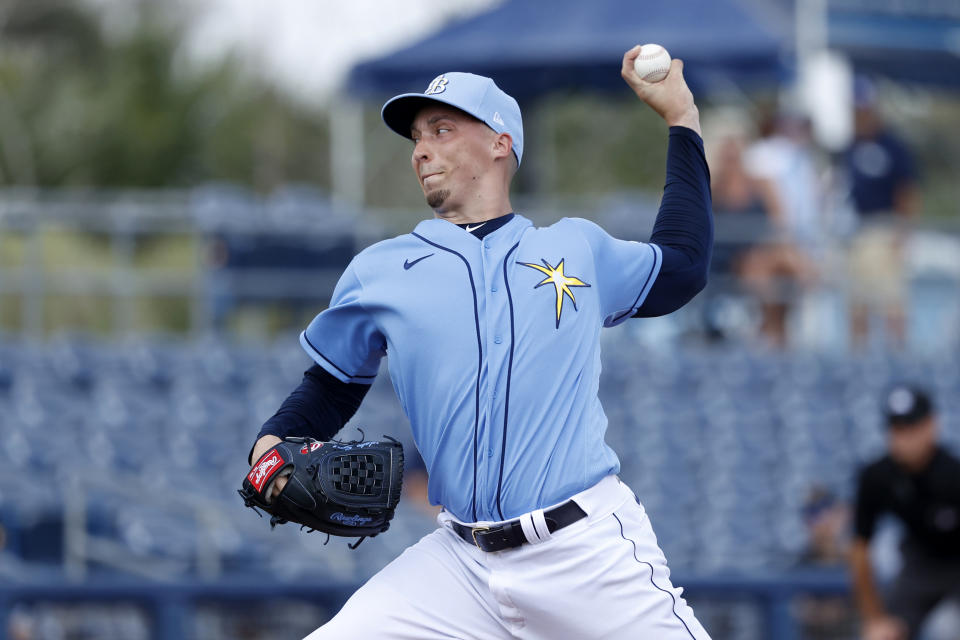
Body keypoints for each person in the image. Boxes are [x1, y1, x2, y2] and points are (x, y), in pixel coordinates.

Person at [248, 46, 713, 639]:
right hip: (461, 564)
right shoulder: (381, 270)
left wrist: (682, 119)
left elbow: (686, 265)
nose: (422, 149)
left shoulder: (577, 248)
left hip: (585, 553)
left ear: (501, 143)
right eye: (417, 136)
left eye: (442, 129)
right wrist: (273, 439)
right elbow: (333, 385)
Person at [850, 385, 960, 640]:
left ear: (931, 425)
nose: (904, 438)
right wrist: (873, 617)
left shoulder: (953, 475)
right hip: (918, 567)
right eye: (897, 429)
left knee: (947, 629)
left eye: (912, 427)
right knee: (879, 636)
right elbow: (859, 549)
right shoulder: (878, 476)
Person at [843, 77, 921, 347]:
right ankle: (859, 358)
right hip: (855, 229)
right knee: (857, 302)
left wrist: (903, 233)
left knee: (891, 301)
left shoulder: (893, 146)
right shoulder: (850, 145)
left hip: (884, 227)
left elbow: (907, 191)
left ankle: (897, 353)